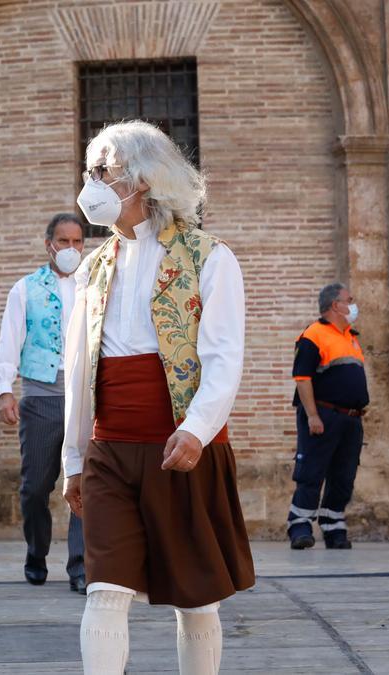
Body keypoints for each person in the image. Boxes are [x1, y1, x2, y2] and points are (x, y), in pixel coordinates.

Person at [63, 121, 254, 674]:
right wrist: (74, 460)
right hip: (111, 450)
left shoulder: (210, 257)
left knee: (196, 599)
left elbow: (223, 357)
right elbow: (79, 370)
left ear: (142, 180)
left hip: (182, 445)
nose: (91, 183)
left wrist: (197, 429)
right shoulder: (92, 269)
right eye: (90, 171)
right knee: (104, 588)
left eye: (103, 172)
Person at [0, 213, 87, 590]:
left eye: (78, 241)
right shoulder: (26, 289)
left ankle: (80, 567)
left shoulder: (93, 285)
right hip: (41, 396)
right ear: (49, 244)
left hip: (85, 397)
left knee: (85, 484)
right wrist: (3, 390)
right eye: (63, 241)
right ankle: (36, 552)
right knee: (35, 488)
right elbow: (9, 341)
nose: (71, 249)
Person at [286, 283, 367, 550]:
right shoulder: (314, 334)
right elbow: (302, 378)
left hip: (350, 419)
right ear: (335, 305)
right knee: (311, 472)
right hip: (323, 414)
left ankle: (334, 529)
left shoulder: (350, 337)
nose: (353, 305)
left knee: (343, 476)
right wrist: (312, 416)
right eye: (349, 300)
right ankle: (299, 527)